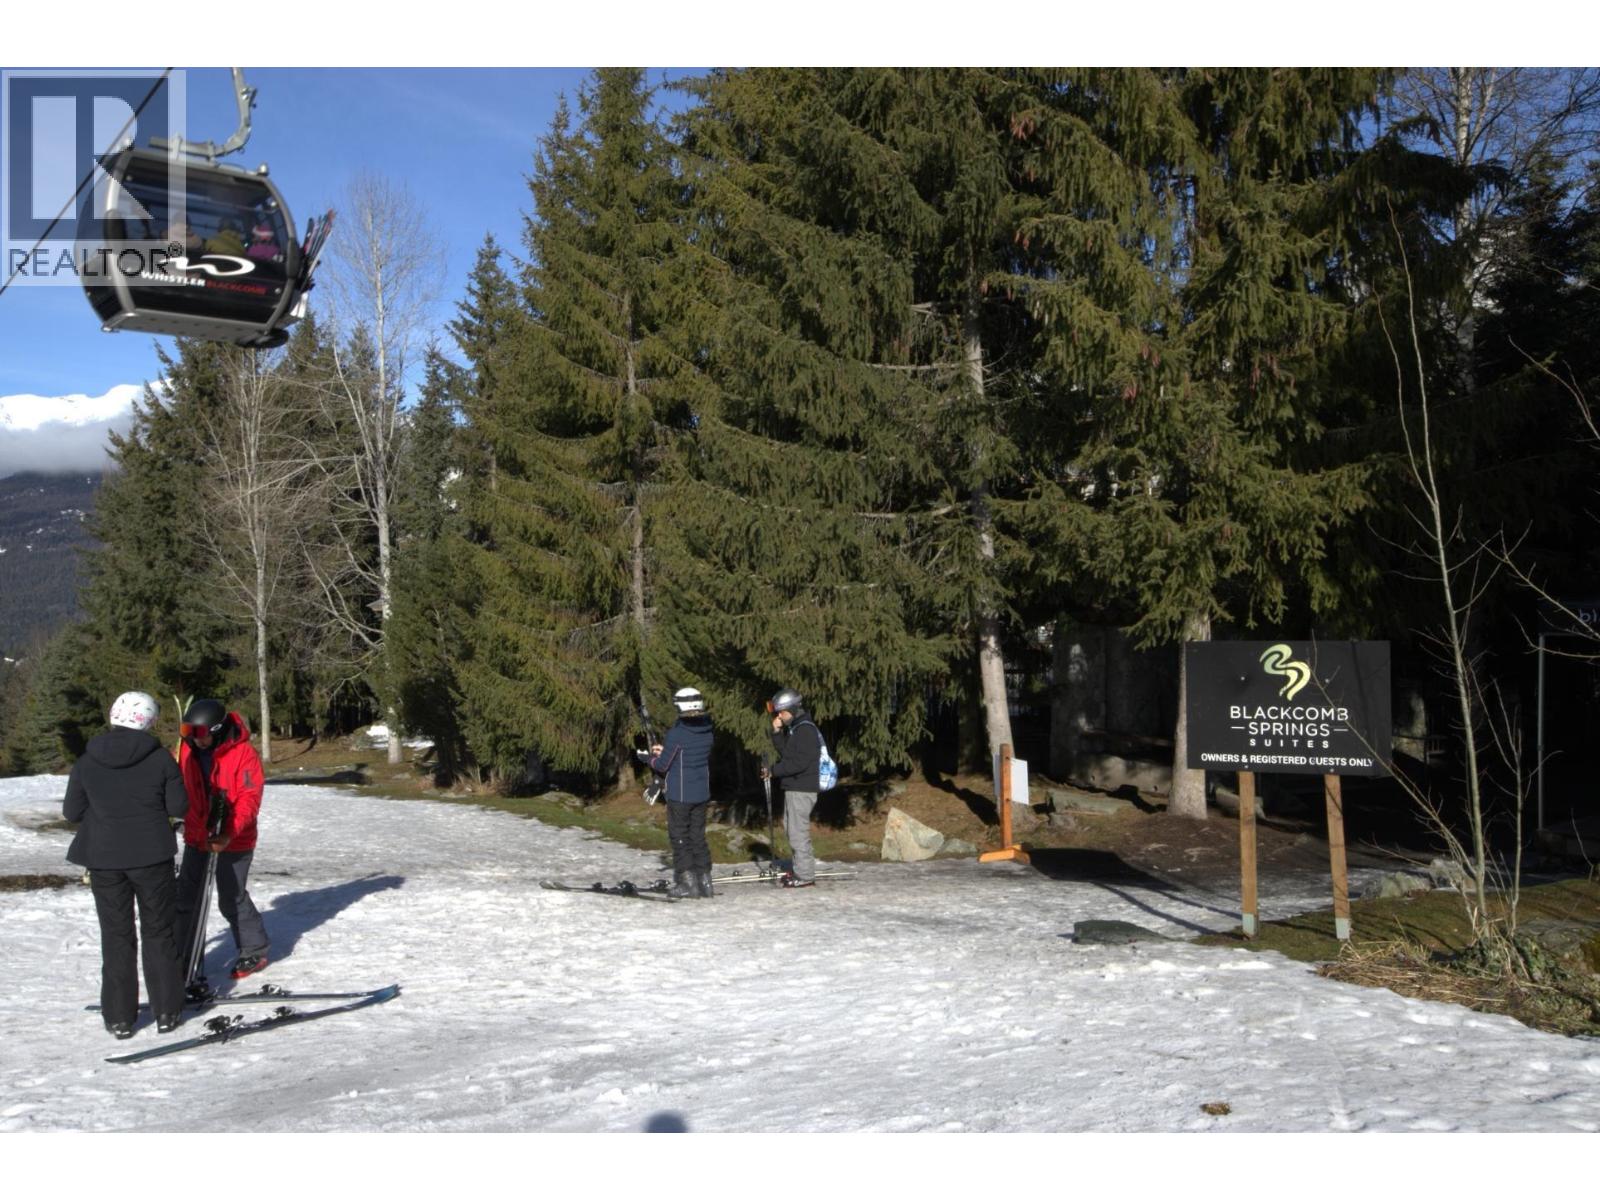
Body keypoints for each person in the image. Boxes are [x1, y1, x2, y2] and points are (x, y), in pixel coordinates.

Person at [63, 692, 188, 1039]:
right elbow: (180, 805)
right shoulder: (160, 759)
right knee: (158, 932)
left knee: (116, 935)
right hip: (151, 856)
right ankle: (167, 1011)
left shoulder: (87, 760)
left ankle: (119, 1017)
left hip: (104, 858)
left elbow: (72, 812)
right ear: (147, 720)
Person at [174, 698, 270, 993]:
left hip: (234, 839)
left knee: (231, 895)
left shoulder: (243, 754)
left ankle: (254, 950)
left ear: (216, 730)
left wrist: (228, 833)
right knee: (186, 897)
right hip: (197, 836)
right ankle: (183, 957)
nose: (194, 738)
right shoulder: (188, 750)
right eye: (187, 731)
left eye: (199, 733)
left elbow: (248, 799)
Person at [649, 687, 716, 899]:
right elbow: (684, 754)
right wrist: (667, 750)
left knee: (680, 837)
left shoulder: (677, 733)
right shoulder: (707, 730)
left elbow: (662, 765)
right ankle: (705, 881)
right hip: (701, 792)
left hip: (680, 794)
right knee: (697, 836)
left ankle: (688, 883)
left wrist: (649, 759)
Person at [762, 687, 822, 888]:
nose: (780, 715)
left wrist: (773, 771)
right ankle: (800, 870)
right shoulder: (797, 728)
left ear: (793, 709)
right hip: (795, 788)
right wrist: (777, 732)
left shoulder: (806, 730)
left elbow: (798, 764)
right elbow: (788, 754)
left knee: (798, 833)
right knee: (792, 830)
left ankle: (805, 876)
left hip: (802, 789)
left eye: (782, 712)